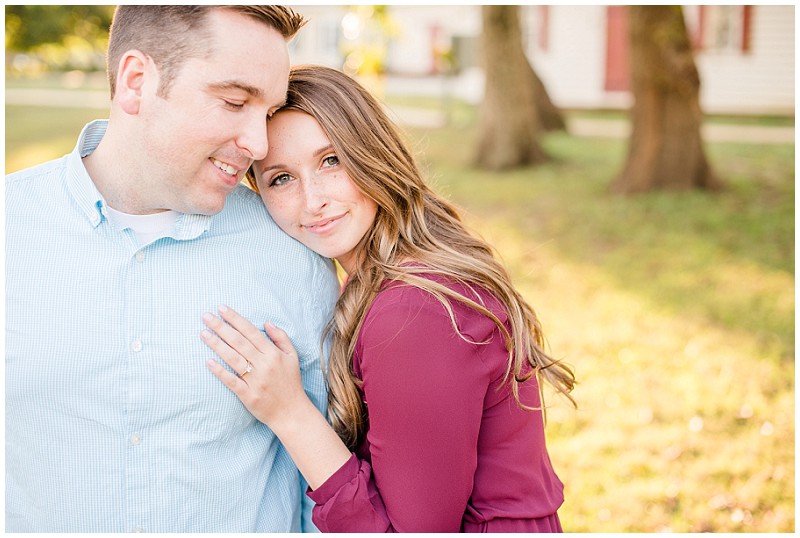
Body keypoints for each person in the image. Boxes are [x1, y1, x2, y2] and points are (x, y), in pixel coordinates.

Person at [200, 65, 577, 532]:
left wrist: (289, 412)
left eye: (331, 160)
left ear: (372, 153)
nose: (313, 198)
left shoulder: (413, 311)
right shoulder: (382, 281)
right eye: (280, 178)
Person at [6, 7, 340, 533]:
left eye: (268, 111)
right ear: (137, 82)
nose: (258, 143)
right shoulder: (12, 230)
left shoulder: (293, 251)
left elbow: (323, 494)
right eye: (234, 102)